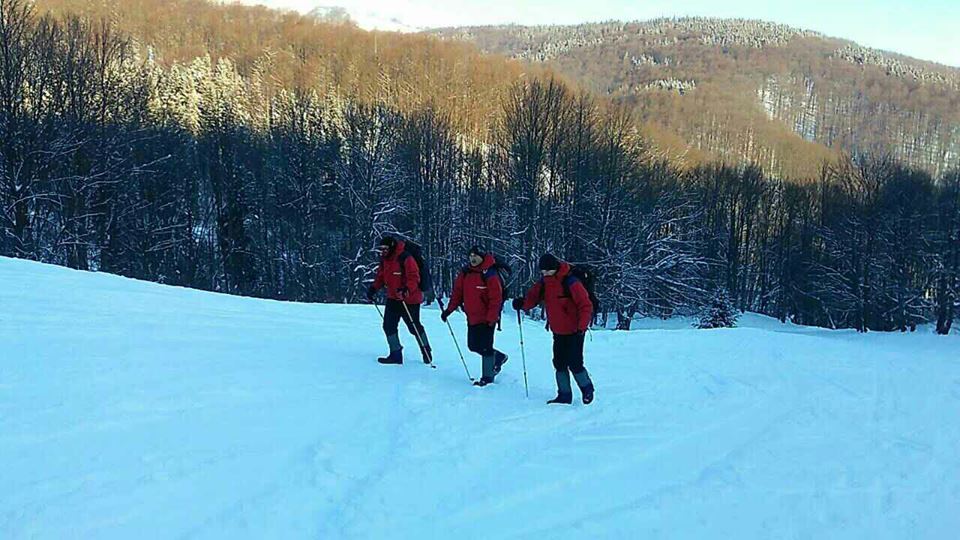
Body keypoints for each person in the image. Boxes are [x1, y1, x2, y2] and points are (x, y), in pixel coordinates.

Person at [512, 253, 595, 405]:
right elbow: (533, 298)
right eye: (543, 272)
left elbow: (585, 305)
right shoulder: (545, 283)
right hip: (558, 330)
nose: (545, 274)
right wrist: (522, 304)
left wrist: (581, 328)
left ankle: (587, 388)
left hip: (575, 330)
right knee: (559, 363)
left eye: (548, 271)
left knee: (575, 363)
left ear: (555, 268)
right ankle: (564, 395)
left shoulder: (571, 282)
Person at [441, 246, 509, 387]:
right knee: (473, 346)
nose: (473, 258)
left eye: (476, 256)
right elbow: (457, 293)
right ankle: (499, 357)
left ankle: (487, 377)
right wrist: (449, 310)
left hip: (487, 319)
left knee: (485, 347)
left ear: (482, 257)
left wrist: (492, 318)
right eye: (470, 255)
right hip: (472, 317)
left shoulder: (489, 274)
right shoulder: (465, 273)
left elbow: (495, 299)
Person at [367, 236, 433, 365]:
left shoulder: (405, 257)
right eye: (381, 249)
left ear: (391, 247)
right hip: (393, 297)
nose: (383, 251)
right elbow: (381, 276)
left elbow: (414, 277)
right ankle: (395, 354)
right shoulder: (385, 259)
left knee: (413, 327)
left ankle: (426, 349)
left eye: (385, 249)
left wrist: (406, 289)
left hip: (410, 299)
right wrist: (373, 288)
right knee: (388, 326)